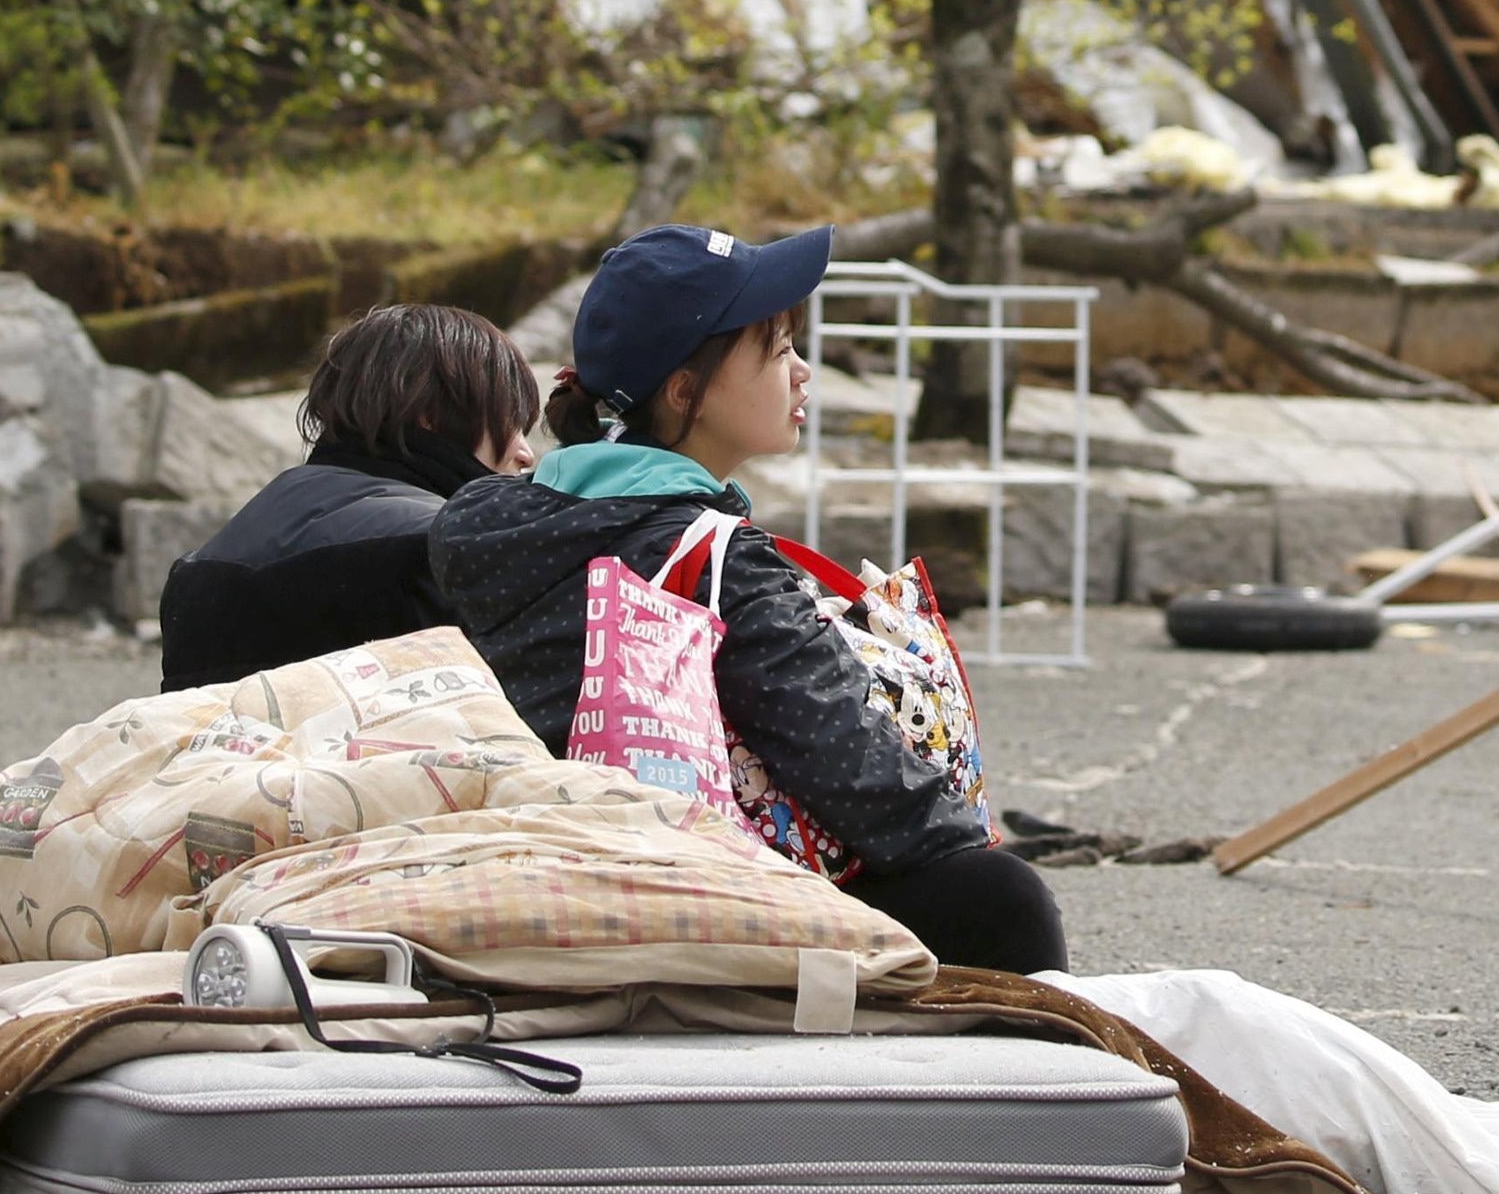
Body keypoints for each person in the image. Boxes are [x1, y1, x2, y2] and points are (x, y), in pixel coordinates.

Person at [432, 223, 1066, 977]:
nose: (802, 373)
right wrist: (964, 837)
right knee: (1002, 898)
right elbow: (858, 771)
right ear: (683, 389)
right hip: (681, 896)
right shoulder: (716, 560)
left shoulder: (477, 522)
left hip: (521, 867)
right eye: (777, 350)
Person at [158, 303, 541, 691]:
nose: (526, 454)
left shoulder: (199, 566)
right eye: (510, 423)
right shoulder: (447, 546)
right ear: (429, 413)